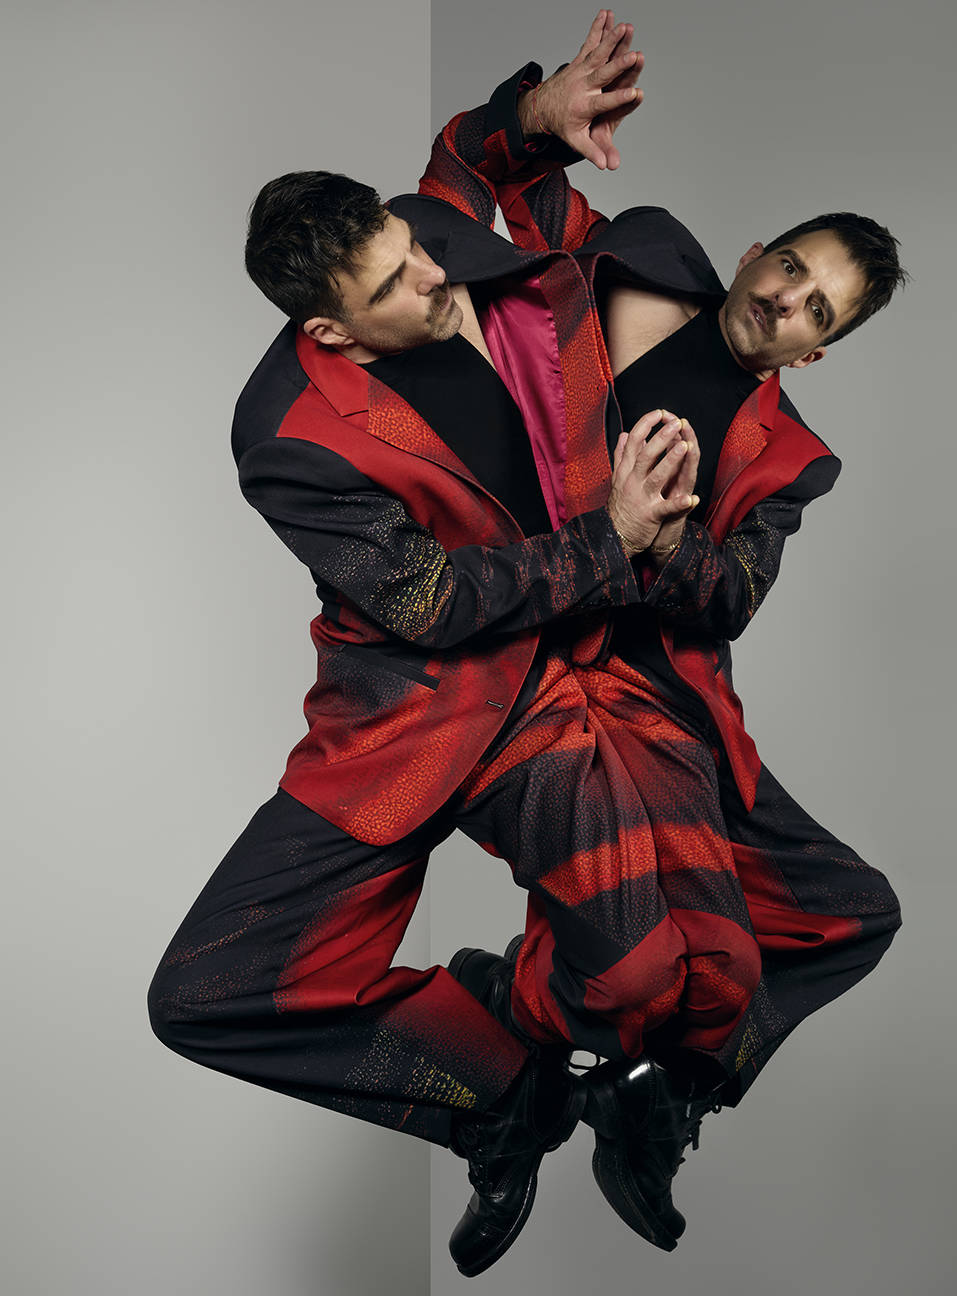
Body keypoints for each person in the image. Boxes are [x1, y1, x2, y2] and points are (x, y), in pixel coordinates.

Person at [148, 31, 753, 1278]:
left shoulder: (428, 236)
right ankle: (502, 1102)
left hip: (557, 694)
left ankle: (560, 1036)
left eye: (411, 245)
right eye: (396, 283)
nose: (430, 273)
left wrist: (536, 111)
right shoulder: (288, 437)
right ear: (333, 332)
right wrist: (614, 537)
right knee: (205, 995)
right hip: (411, 716)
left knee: (655, 969)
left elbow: (469, 167)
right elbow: (430, 601)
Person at [415, 10, 904, 1257]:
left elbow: (732, 594)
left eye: (816, 311)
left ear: (818, 351)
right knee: (640, 959)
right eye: (789, 267)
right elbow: (474, 195)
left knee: (847, 913)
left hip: (662, 701)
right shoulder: (627, 263)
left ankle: (659, 1094)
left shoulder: (790, 460)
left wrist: (663, 538)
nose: (786, 302)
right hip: (521, 668)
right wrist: (536, 115)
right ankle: (512, 1074)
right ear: (753, 254)